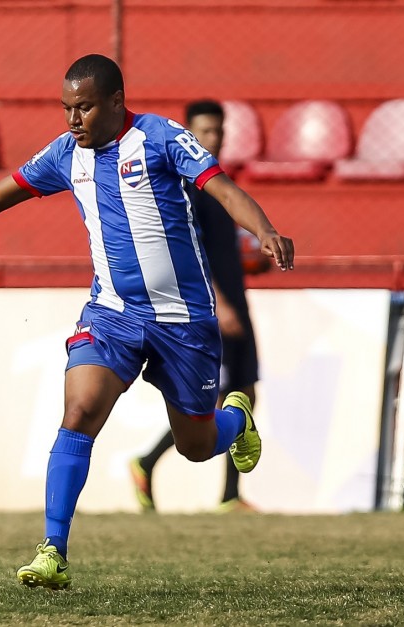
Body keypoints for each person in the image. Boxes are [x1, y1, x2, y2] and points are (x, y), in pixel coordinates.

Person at [0, 54, 293, 590]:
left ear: (116, 103)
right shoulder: (64, 154)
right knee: (79, 410)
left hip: (184, 321)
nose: (72, 120)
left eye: (83, 108)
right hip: (113, 315)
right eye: (66, 108)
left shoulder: (159, 137)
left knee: (195, 444)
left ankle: (235, 421)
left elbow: (220, 187)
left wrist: (264, 229)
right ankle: (52, 550)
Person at [129, 99, 261, 514]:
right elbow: (192, 254)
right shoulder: (188, 189)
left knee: (245, 394)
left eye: (218, 132)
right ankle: (147, 463)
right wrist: (220, 302)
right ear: (188, 133)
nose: (212, 139)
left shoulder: (217, 184)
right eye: (203, 132)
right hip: (212, 309)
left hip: (235, 302)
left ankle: (229, 496)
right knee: (214, 406)